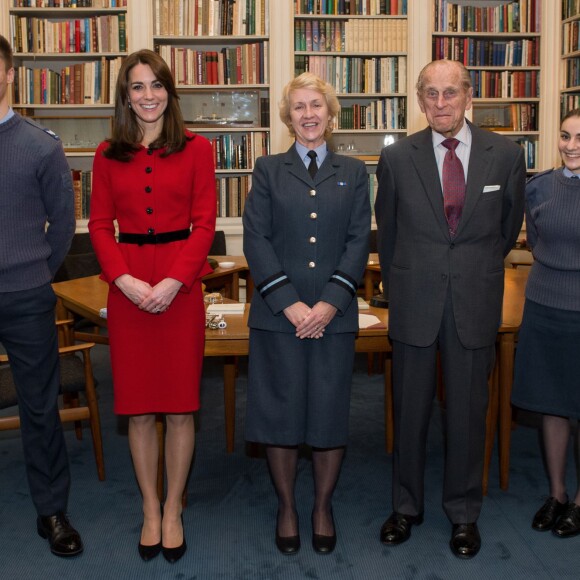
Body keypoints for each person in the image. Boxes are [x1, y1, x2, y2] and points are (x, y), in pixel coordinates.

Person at [374, 59, 525, 559]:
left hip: (473, 301)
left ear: (468, 97)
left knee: (467, 413)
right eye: (431, 94)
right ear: (420, 100)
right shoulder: (397, 159)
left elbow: (507, 229)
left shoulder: (504, 154)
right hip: (415, 300)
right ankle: (406, 507)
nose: (441, 103)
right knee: (409, 411)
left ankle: (463, 514)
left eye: (450, 93)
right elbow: (389, 233)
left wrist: (472, 271)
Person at [88, 49, 216, 563]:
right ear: (125, 95)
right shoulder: (105, 153)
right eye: (137, 87)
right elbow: (99, 225)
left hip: (180, 291)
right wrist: (122, 278)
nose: (147, 96)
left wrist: (173, 281)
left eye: (156, 85)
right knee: (139, 410)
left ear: (170, 92)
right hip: (127, 292)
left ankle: (173, 508)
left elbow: (206, 224)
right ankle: (148, 507)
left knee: (181, 408)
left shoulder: (198, 148)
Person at [243, 72, 371, 555]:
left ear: (331, 113)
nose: (308, 114)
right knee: (279, 413)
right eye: (298, 107)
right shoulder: (267, 169)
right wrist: (291, 304)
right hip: (280, 317)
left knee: (328, 413)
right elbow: (256, 239)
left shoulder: (354, 172)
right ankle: (287, 507)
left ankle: (321, 505)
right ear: (287, 116)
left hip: (333, 316)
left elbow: (360, 241)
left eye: (316, 104)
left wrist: (328, 304)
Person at [0, 35, 82, 557]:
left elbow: (66, 225)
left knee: (39, 408)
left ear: (9, 74)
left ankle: (52, 511)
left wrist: (34, 273)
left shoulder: (41, 144)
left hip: (26, 295)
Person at [511, 108, 580, 539]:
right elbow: (535, 242)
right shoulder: (538, 188)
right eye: (566, 136)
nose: (571, 146)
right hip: (543, 307)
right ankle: (556, 494)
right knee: (552, 406)